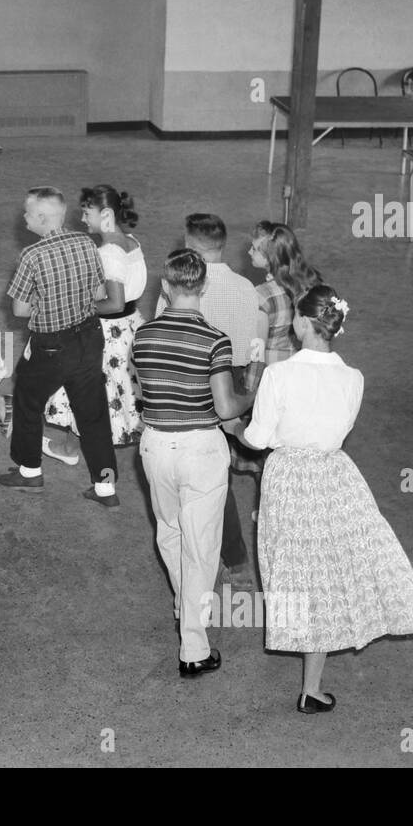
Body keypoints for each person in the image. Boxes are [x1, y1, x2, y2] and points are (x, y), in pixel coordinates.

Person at [226, 286, 413, 714]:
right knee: (334, 567)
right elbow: (339, 429)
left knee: (296, 571)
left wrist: (233, 428)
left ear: (301, 324)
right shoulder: (353, 378)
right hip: (335, 475)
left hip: (288, 479)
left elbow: (258, 439)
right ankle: (312, 687)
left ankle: (307, 667)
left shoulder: (279, 375)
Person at [132, 251, 255, 678]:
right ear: (203, 288)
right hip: (200, 448)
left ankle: (185, 605)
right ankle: (194, 649)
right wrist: (252, 395)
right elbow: (224, 408)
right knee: (201, 547)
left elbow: (148, 391)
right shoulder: (215, 340)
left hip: (154, 446)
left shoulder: (143, 335)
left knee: (169, 532)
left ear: (165, 287)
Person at [0, 187, 118, 508]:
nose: (23, 217)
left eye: (26, 213)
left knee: (27, 400)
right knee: (93, 413)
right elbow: (98, 294)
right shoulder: (87, 243)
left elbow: (19, 311)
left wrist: (43, 301)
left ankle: (29, 470)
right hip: (89, 337)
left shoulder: (31, 256)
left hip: (52, 346)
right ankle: (105, 487)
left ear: (40, 217)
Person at [155, 214, 258, 569]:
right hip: (233, 379)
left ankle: (222, 551)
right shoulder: (246, 288)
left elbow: (161, 336)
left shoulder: (176, 287)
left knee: (205, 478)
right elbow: (247, 350)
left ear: (189, 246)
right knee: (218, 471)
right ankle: (234, 555)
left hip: (188, 384)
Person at [43, 185, 146, 461]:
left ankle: (70, 449)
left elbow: (114, 302)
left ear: (107, 214)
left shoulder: (109, 253)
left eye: (87, 212)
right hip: (130, 326)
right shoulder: (132, 242)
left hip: (108, 331)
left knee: (81, 387)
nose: (83, 219)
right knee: (118, 387)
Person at [245, 220, 324, 388]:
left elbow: (257, 350)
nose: (249, 252)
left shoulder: (261, 295)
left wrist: (250, 387)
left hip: (273, 377)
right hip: (305, 373)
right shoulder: (311, 283)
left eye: (254, 249)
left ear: (269, 259)